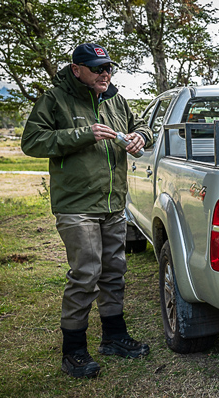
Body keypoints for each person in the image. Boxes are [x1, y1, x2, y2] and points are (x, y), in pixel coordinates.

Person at [21, 43, 154, 379]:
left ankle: (114, 337)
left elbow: (143, 127)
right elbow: (32, 141)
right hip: (77, 205)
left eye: (108, 68)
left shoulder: (116, 100)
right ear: (77, 69)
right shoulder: (55, 99)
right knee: (85, 275)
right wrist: (83, 134)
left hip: (112, 203)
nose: (104, 74)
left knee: (114, 272)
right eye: (97, 68)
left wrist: (140, 136)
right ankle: (74, 351)